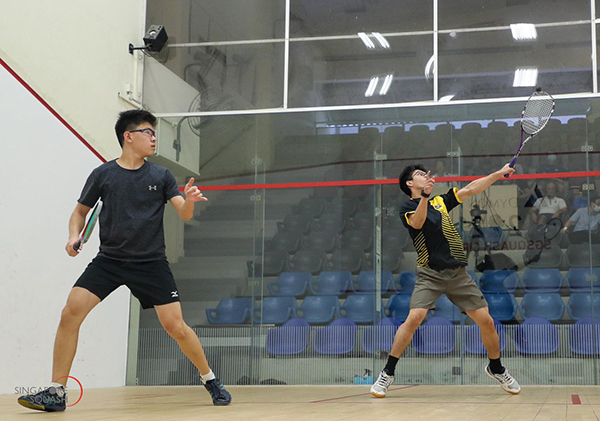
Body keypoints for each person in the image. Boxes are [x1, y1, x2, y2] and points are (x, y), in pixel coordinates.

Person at [17, 110, 231, 412]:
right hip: (110, 260)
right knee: (70, 313)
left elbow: (182, 212)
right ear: (128, 137)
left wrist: (190, 201)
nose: (154, 137)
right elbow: (80, 212)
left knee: (175, 327)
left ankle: (210, 379)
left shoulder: (161, 176)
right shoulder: (103, 175)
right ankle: (56, 392)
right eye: (148, 132)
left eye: (155, 133)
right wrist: (71, 236)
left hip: (151, 263)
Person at [370, 163, 521, 399]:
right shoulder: (408, 207)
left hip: (458, 275)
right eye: (418, 174)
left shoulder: (439, 202)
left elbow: (471, 189)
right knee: (414, 318)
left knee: (487, 322)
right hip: (430, 274)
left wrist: (496, 174)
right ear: (410, 184)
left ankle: (496, 368)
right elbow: (418, 224)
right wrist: (425, 197)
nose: (424, 175)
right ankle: (387, 373)